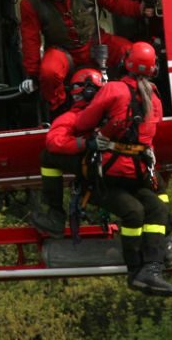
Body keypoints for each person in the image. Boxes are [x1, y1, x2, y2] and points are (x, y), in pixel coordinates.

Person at [69, 41, 172, 297]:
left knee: (149, 210)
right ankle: (140, 269)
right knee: (142, 211)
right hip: (126, 176)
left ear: (126, 62)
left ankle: (149, 269)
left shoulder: (113, 90)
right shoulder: (155, 99)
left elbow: (82, 122)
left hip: (109, 175)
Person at [19, 0, 152, 115]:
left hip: (94, 42)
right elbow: (30, 39)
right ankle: (60, 110)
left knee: (130, 53)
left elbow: (114, 1)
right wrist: (33, 75)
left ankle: (136, 99)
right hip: (62, 51)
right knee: (48, 72)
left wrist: (138, 9)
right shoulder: (30, 3)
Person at [29, 67, 106, 238]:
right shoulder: (118, 108)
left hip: (100, 170)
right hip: (126, 166)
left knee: (47, 157)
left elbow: (54, 142)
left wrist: (83, 144)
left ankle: (55, 215)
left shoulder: (73, 117)